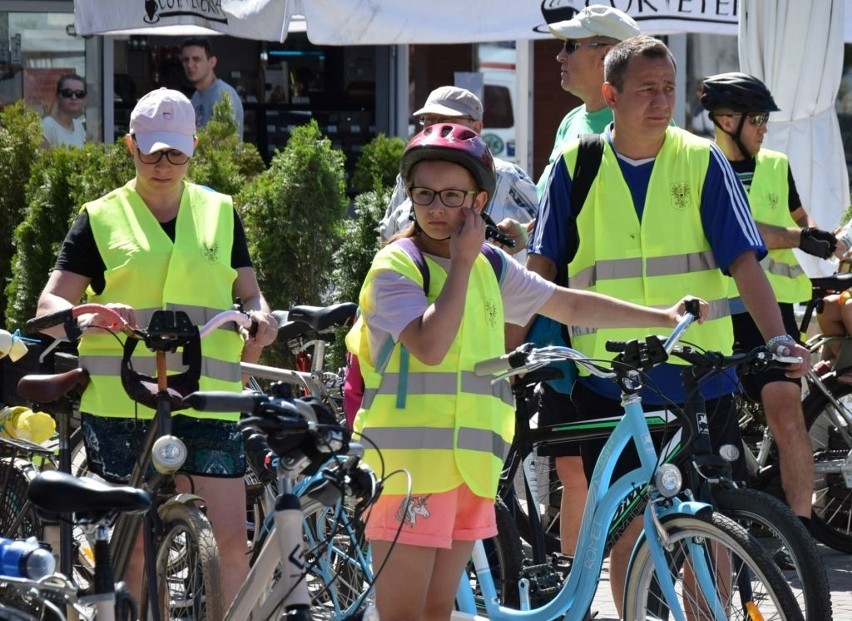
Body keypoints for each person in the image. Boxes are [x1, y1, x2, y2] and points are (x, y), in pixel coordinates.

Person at [346, 121, 709, 621]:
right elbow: (430, 345)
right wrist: (462, 259)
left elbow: (568, 305)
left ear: (478, 202)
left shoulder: (490, 266)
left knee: (435, 614)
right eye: (424, 193)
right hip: (408, 472)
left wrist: (663, 317)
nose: (435, 208)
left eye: (452, 195)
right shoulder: (397, 266)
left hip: (468, 473)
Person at [529, 36, 810, 614]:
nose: (661, 102)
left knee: (716, 523)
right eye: (645, 90)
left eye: (668, 89)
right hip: (608, 380)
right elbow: (540, 271)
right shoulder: (574, 165)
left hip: (697, 376)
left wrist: (780, 337)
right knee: (626, 526)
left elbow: (744, 263)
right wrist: (513, 349)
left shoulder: (700, 159)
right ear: (610, 95)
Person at [32, 87, 276, 605]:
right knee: (135, 552)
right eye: (151, 151)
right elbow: (48, 307)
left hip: (208, 399)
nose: (163, 163)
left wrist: (261, 315)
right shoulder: (99, 217)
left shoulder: (221, 212)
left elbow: (249, 289)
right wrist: (83, 319)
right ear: (129, 146)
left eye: (175, 152)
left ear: (193, 145)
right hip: (122, 405)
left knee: (232, 544)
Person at [521, 4, 640, 561]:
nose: (560, 56)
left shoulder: (626, 131)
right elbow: (558, 217)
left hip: (597, 328)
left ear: (607, 58)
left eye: (573, 46)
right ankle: (576, 593)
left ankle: (635, 587)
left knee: (618, 476)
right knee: (570, 467)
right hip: (558, 322)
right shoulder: (573, 123)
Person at [699, 71, 839, 524]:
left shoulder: (777, 164)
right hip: (716, 312)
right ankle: (733, 523)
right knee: (714, 423)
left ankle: (800, 530)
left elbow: (800, 216)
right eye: (757, 118)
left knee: (787, 417)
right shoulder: (697, 166)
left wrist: (822, 237)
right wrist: (798, 237)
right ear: (725, 118)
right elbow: (737, 231)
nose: (764, 127)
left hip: (772, 311)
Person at [378, 86, 538, 261]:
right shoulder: (408, 176)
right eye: (429, 120)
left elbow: (547, 227)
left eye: (447, 120)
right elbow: (387, 235)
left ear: (477, 127)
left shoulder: (506, 176)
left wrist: (522, 234)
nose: (436, 127)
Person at [180, 37, 244, 139]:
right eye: (185, 60)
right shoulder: (196, 96)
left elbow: (225, 148)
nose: (190, 65)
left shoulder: (224, 96)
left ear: (212, 62)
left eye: (196, 59)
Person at [41, 74, 87, 148]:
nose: (74, 97)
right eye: (67, 93)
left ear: (84, 99)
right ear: (57, 96)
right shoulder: (46, 126)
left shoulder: (79, 126)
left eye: (79, 94)